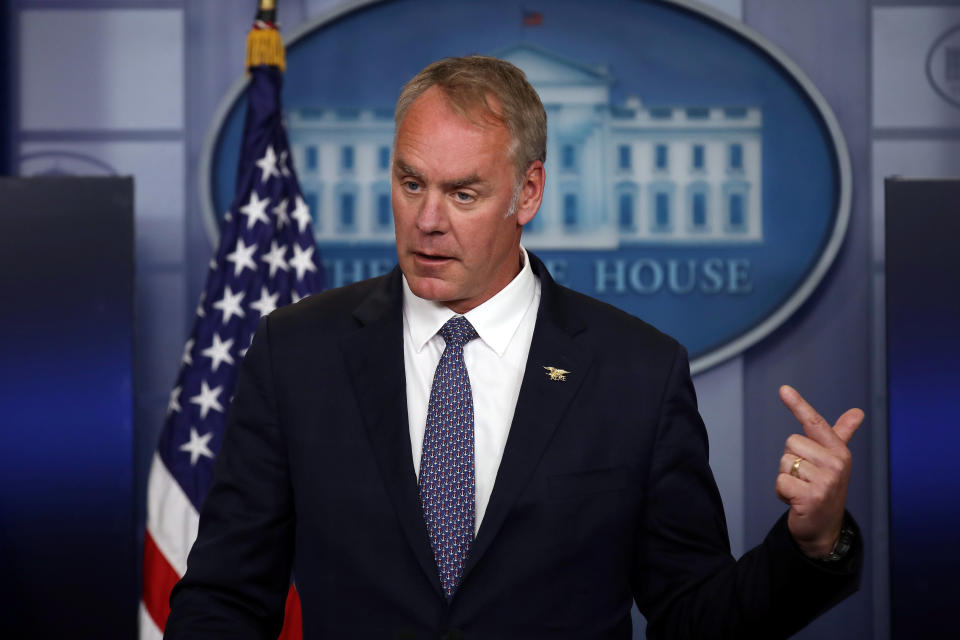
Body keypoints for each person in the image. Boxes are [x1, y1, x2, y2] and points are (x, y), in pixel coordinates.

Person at [166, 56, 862, 639]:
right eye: (411, 184)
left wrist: (812, 544)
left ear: (528, 193)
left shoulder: (636, 373)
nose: (428, 222)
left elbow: (693, 616)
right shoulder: (298, 353)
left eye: (463, 194)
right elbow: (225, 599)